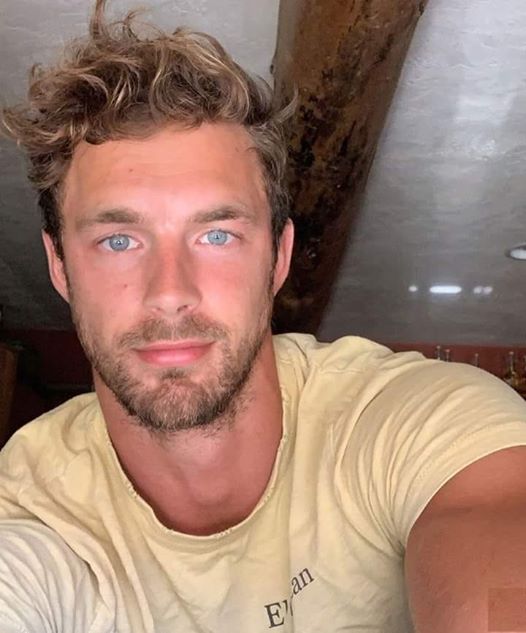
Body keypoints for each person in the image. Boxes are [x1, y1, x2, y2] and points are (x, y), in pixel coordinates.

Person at [2, 1, 526, 631]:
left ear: (277, 258)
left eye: (216, 235)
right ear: (60, 267)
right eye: (119, 241)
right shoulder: (26, 504)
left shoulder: (422, 426)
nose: (170, 293)